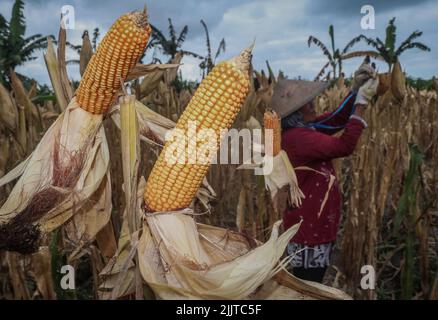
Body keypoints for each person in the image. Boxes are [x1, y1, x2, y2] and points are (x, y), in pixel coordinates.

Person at [270, 62, 379, 283]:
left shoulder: (299, 130)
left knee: (306, 285)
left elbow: (334, 120)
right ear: (295, 113)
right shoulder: (299, 139)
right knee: (308, 286)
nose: (313, 104)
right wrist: (361, 105)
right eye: (307, 103)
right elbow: (345, 146)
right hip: (310, 229)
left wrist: (355, 90)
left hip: (308, 225)